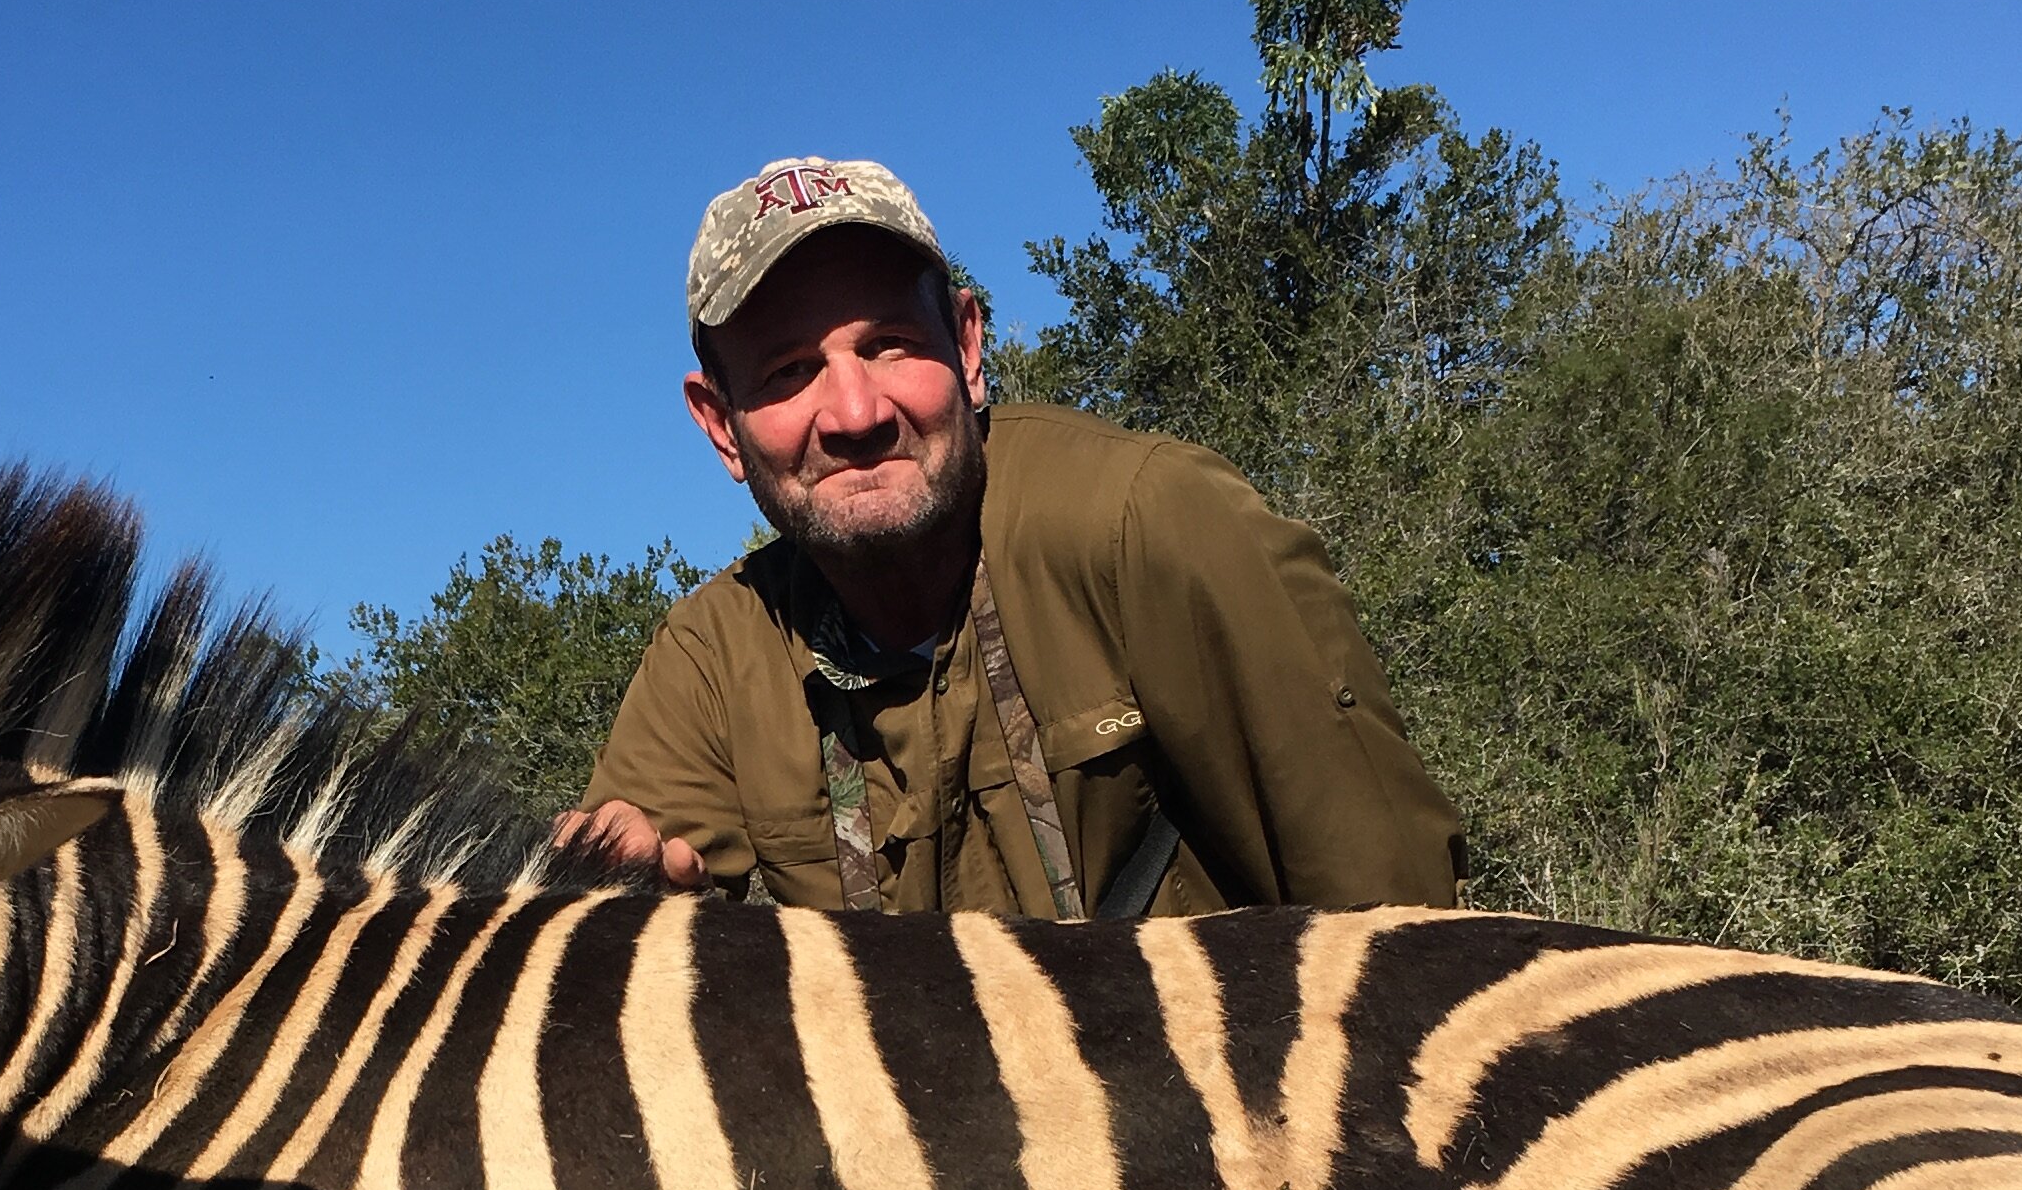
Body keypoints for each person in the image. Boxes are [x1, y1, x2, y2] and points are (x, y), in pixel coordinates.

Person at [558, 155, 1462, 919]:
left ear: (968, 347)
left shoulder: (1148, 523)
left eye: (889, 344)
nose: (855, 412)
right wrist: (593, 888)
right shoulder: (716, 658)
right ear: (721, 426)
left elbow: (1394, 925)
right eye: (791, 372)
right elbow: (611, 880)